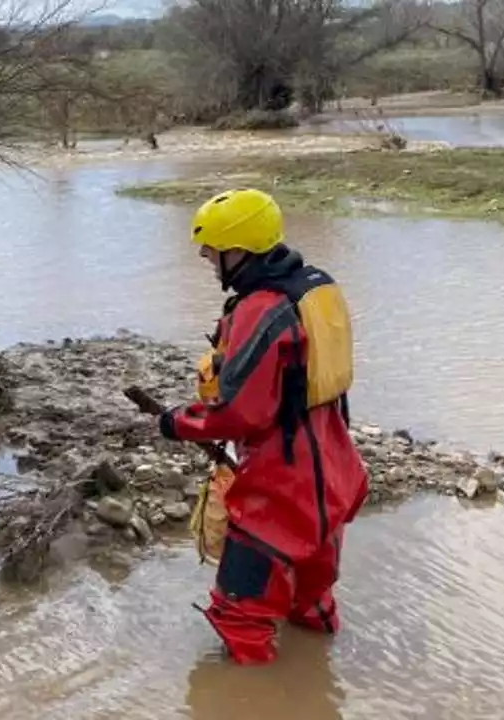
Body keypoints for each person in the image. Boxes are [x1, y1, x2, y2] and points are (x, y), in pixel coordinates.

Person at [156, 187, 369, 665]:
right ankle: (317, 686)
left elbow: (239, 413)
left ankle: (249, 696)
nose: (209, 261)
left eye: (214, 252)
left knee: (239, 614)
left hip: (280, 486)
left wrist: (177, 424)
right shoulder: (316, 286)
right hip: (332, 473)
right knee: (311, 603)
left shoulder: (260, 308)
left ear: (240, 249)